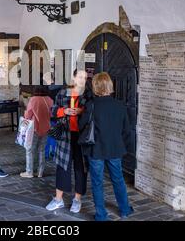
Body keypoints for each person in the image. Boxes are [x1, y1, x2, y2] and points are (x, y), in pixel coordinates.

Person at [78, 72, 134, 221]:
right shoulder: (119, 105)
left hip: (96, 150)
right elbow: (126, 130)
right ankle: (124, 210)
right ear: (110, 85)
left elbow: (81, 125)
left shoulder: (91, 105)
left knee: (97, 182)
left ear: (95, 86)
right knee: (118, 179)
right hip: (115, 148)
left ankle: (101, 215)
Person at [45, 69, 92, 213]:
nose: (82, 80)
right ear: (73, 77)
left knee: (81, 168)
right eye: (79, 76)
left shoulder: (89, 95)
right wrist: (63, 111)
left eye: (85, 77)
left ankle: (77, 199)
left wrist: (81, 111)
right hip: (65, 136)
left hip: (82, 137)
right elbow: (52, 112)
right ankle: (58, 199)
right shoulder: (62, 93)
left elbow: (92, 114)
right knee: (62, 167)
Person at [20, 86, 54, 178]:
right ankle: (40, 172)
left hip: (34, 129)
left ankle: (29, 172)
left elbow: (28, 115)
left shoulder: (33, 99)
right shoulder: (49, 100)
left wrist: (26, 111)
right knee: (41, 150)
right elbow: (52, 114)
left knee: (29, 150)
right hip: (46, 128)